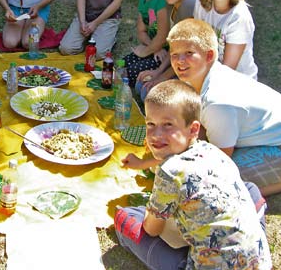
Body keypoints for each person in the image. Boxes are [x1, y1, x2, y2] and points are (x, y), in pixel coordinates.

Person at [115, 80, 272, 270]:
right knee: (250, 189)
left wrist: (151, 212)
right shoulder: (213, 152)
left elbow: (151, 229)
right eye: (150, 124)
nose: (156, 134)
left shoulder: (169, 172)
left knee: (127, 216)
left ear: (193, 129)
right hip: (258, 263)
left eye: (167, 125)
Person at [168, 18, 281, 196]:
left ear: (210, 55)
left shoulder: (217, 102)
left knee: (209, 182)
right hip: (263, 135)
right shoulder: (200, 77)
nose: (180, 61)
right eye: (174, 54)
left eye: (189, 53)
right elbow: (202, 130)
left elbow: (221, 159)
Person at [135, 0, 195, 102]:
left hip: (191, 73)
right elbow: (175, 49)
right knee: (141, 85)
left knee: (149, 93)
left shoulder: (188, 7)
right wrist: (158, 71)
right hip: (179, 66)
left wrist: (161, 77)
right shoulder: (174, 6)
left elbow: (186, 58)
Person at [194, 0, 258, 79]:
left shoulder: (239, 17)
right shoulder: (201, 2)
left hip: (236, 83)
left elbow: (227, 71)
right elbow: (197, 43)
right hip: (206, 71)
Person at [123, 0, 168, 87]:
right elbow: (141, 31)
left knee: (131, 71)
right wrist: (153, 47)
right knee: (122, 63)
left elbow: (162, 35)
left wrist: (146, 51)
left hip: (167, 54)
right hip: (156, 48)